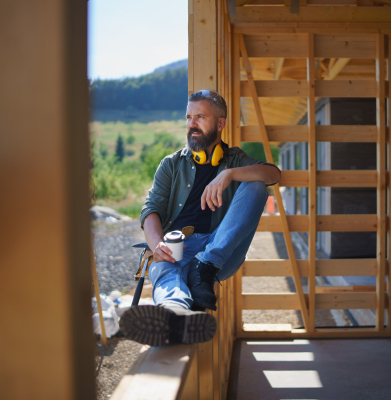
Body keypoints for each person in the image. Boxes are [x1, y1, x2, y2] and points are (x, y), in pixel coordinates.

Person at [119, 89, 281, 346]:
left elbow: (273, 174)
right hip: (176, 245)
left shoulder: (235, 159)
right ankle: (175, 314)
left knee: (257, 185)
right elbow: (151, 210)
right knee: (164, 268)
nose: (191, 124)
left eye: (200, 117)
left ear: (220, 123)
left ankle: (203, 267)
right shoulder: (170, 164)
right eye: (188, 117)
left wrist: (229, 175)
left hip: (218, 252)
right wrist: (155, 243)